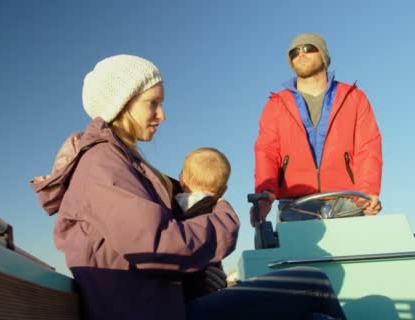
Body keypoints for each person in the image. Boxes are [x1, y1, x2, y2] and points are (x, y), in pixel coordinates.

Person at [32, 54, 346, 320]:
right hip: (155, 314)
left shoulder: (121, 162)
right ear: (122, 104)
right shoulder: (102, 165)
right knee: (312, 281)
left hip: (169, 305)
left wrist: (199, 274)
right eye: (152, 103)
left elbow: (144, 247)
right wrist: (224, 218)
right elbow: (156, 244)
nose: (162, 115)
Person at [253, 33, 383, 224]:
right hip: (294, 206)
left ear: (323, 55)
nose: (301, 54)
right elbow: (267, 153)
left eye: (308, 48)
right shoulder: (276, 105)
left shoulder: (354, 98)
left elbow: (368, 147)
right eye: (294, 52)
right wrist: (264, 193)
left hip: (348, 203)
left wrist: (367, 191)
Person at [172, 147, 232, 300]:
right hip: (209, 283)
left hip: (181, 287)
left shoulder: (170, 204)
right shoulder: (217, 211)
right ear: (224, 190)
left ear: (182, 179)